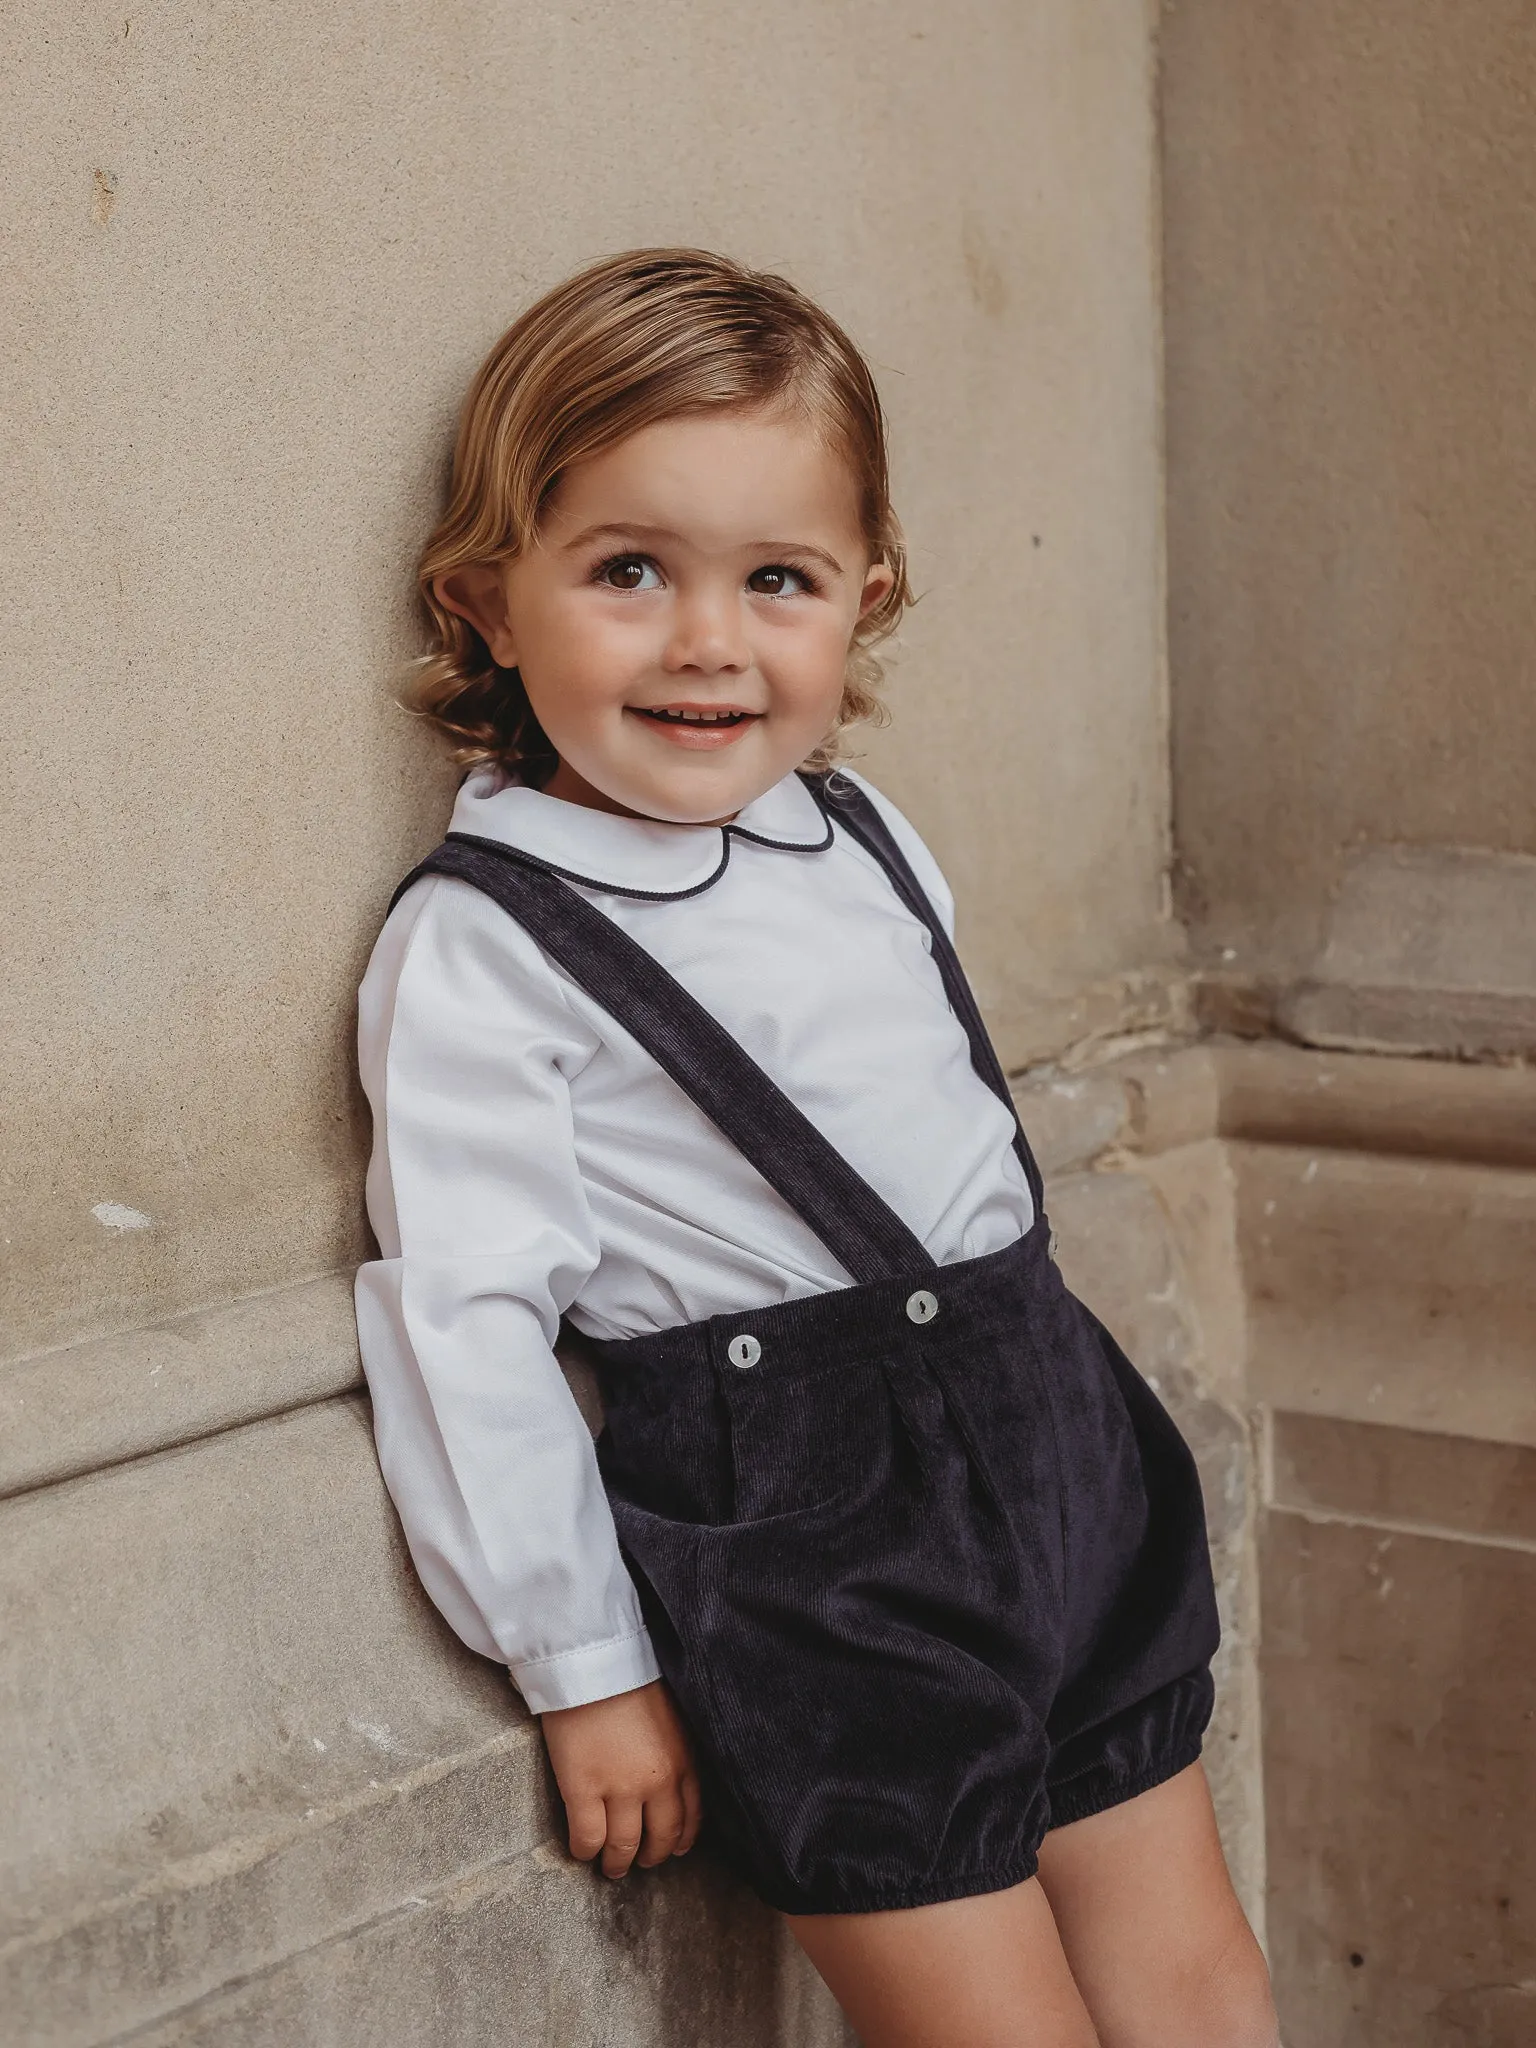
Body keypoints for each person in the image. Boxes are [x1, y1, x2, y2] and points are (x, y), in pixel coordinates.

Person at [355, 248, 1278, 2048]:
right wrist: (585, 1666)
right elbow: (463, 1321)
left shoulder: (857, 835)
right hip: (825, 1554)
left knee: (1201, 1985)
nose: (709, 639)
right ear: (485, 600)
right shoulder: (484, 943)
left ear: (867, 595)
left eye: (777, 579)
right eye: (629, 571)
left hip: (1059, 1455)